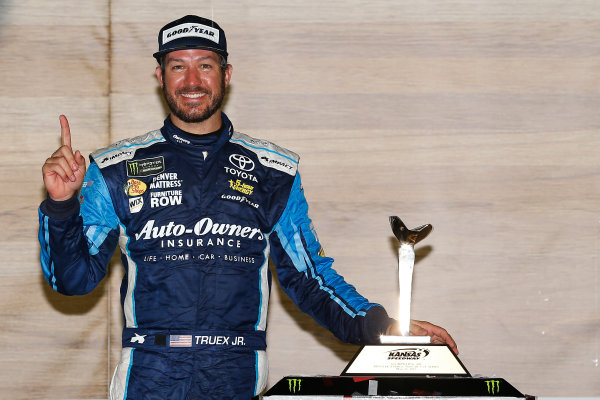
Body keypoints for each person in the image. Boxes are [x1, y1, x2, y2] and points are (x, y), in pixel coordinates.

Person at [39, 15, 457, 400]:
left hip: (237, 374)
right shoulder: (114, 168)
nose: (191, 79)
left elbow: (311, 280)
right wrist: (61, 205)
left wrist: (382, 326)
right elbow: (73, 280)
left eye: (205, 64)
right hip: (148, 374)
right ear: (160, 75)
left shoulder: (274, 171)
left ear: (226, 74)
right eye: (177, 66)